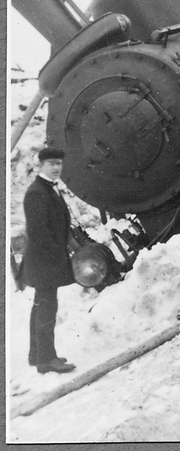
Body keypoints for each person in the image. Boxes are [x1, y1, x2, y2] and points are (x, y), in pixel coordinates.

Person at [22, 147, 77, 373]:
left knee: (40, 306)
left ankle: (36, 355)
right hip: (44, 260)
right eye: (52, 163)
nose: (56, 168)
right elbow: (39, 232)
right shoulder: (37, 192)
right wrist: (58, 256)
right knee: (46, 308)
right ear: (41, 165)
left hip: (45, 260)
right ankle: (46, 359)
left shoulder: (50, 190)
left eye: (59, 164)